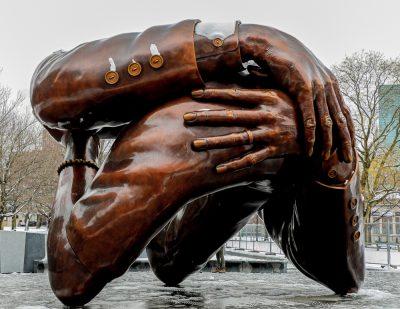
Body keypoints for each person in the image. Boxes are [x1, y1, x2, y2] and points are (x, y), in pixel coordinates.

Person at [30, 21, 363, 306]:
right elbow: (71, 277)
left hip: (240, 142)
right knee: (53, 97)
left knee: (170, 261)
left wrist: (330, 160)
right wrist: (250, 39)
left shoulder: (180, 129)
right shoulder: (174, 126)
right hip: (216, 125)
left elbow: (345, 277)